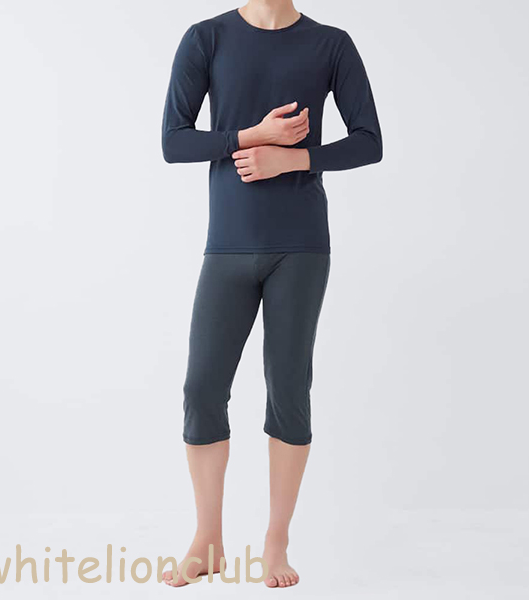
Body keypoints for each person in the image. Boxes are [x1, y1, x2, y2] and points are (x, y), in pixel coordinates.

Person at [160, 0, 382, 588]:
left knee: (288, 391)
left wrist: (292, 158)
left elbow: (369, 142)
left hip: (301, 248)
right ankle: (208, 539)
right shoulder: (206, 38)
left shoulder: (331, 43)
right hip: (227, 246)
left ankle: (276, 541)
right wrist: (252, 135)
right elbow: (173, 141)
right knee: (202, 388)